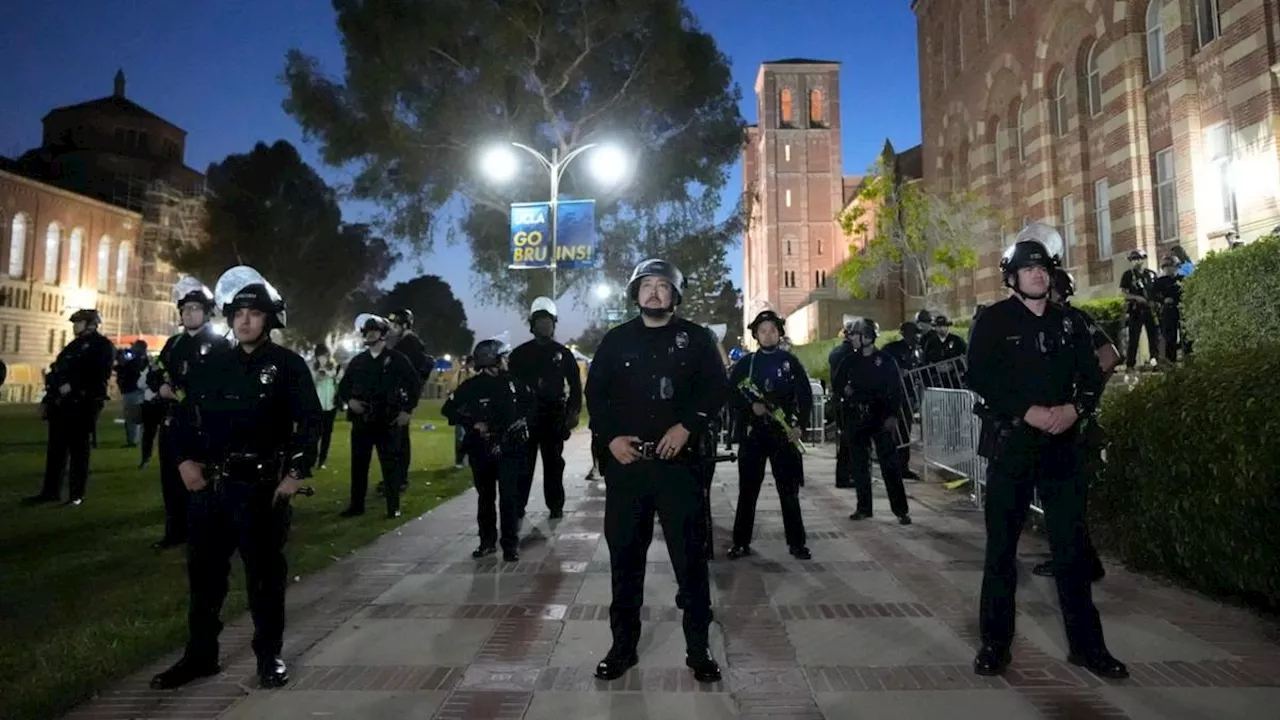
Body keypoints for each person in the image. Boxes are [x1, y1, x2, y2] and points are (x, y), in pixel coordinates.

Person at [966, 230, 1127, 680]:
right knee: (1001, 550)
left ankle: (1088, 648)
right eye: (1028, 268)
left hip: (1063, 446)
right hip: (1014, 445)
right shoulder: (995, 320)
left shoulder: (1070, 322)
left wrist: (1074, 409)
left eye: (1043, 268)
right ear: (1013, 277)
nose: (1037, 274)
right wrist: (1028, 411)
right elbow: (978, 376)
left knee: (1071, 549)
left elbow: (1093, 375)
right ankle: (995, 645)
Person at [151, 266, 320, 690]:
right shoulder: (212, 366)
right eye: (238, 312)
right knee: (204, 579)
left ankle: (268, 657)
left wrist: (295, 474)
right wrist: (185, 462)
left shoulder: (287, 366)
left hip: (261, 489)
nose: (244, 320)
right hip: (210, 489)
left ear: (269, 319)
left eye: (254, 312)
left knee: (264, 579)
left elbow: (310, 423)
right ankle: (199, 656)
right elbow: (185, 420)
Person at [585, 258, 726, 684]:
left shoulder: (696, 339)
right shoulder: (616, 340)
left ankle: (698, 648)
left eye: (662, 286)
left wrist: (688, 426)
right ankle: (622, 646)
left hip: (678, 468)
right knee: (625, 561)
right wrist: (610, 438)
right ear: (635, 293)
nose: (653, 292)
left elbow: (716, 388)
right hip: (628, 469)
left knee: (690, 560)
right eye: (646, 285)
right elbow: (597, 396)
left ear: (675, 294)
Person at [1029, 264, 1115, 583]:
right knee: (1064, 497)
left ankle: (1076, 562)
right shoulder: (1056, 323)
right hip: (1062, 420)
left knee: (1065, 496)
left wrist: (1082, 400)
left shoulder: (1072, 321)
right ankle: (1081, 560)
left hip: (1072, 424)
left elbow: (1109, 357)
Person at [148, 276, 229, 548]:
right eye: (185, 309)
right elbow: (156, 371)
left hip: (200, 422)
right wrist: (161, 386)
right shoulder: (173, 344)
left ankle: (202, 534)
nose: (190, 313)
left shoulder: (218, 345)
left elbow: (216, 383)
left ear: (206, 313)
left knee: (199, 481)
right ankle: (174, 532)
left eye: (195, 308)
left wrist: (183, 390)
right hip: (172, 420)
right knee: (170, 480)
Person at [727, 310, 813, 560]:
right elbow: (731, 395)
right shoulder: (746, 363)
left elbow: (805, 396)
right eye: (763, 331)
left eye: (772, 330)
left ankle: (797, 543)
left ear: (779, 333)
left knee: (789, 492)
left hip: (783, 435)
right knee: (748, 491)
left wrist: (801, 426)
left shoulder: (790, 362)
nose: (768, 335)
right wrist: (749, 408)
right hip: (754, 435)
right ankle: (740, 542)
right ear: (756, 335)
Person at [443, 336, 532, 561]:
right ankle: (487, 542)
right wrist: (473, 422)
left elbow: (531, 405)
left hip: (509, 448)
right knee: (485, 497)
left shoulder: (513, 383)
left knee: (509, 498)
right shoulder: (472, 386)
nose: (506, 361)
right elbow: (449, 409)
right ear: (491, 360)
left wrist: (522, 422)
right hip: (481, 448)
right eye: (503, 357)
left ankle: (510, 545)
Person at [25, 308, 115, 506]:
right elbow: (57, 371)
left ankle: (76, 493)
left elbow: (99, 375)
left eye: (79, 322)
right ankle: (50, 491)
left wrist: (74, 386)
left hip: (84, 404)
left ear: (91, 324)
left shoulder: (102, 346)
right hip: (62, 404)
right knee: (56, 449)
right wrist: (48, 399)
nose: (75, 326)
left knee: (78, 450)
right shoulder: (73, 346)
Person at [337, 314, 420, 519]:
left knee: (390, 466)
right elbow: (343, 387)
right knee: (358, 466)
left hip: (387, 421)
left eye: (373, 331)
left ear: (383, 334)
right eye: (366, 331)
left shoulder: (397, 360)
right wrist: (351, 402)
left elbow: (413, 385)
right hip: (362, 422)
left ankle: (393, 507)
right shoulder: (358, 361)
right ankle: (356, 506)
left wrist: (407, 410)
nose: (368, 334)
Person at [832, 317, 911, 525]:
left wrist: (893, 415)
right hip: (857, 418)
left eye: (856, 335)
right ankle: (864, 507)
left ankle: (901, 510)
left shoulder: (885, 360)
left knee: (889, 465)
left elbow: (895, 389)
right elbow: (837, 382)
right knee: (860, 466)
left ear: (867, 337)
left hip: (880, 417)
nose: (852, 339)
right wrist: (845, 393)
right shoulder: (849, 360)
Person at [509, 297, 582, 520]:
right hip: (526, 416)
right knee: (523, 465)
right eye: (540, 322)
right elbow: (508, 387)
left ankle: (556, 505)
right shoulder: (519, 355)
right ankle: (517, 506)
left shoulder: (563, 354)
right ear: (532, 325)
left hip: (554, 416)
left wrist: (573, 413)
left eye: (549, 322)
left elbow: (576, 386)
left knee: (554, 464)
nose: (545, 326)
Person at [385, 308, 435, 489]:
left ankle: (399, 479)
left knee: (399, 440)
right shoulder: (408, 343)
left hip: (402, 398)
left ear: (403, 325)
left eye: (394, 324)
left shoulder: (409, 344)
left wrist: (408, 405)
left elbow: (411, 376)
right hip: (401, 397)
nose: (391, 328)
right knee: (396, 439)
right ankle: (395, 478)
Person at [881, 323, 924, 480]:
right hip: (894, 396)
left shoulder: (917, 351)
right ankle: (891, 465)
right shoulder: (892, 349)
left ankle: (902, 466)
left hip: (908, 396)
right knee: (893, 432)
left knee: (904, 433)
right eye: (914, 334)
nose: (917, 337)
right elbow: (883, 366)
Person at [1119, 249, 1159, 369]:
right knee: (1133, 338)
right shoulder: (1128, 275)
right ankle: (1130, 364)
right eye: (1134, 259)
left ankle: (1155, 362)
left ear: (1143, 259)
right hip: (1135, 309)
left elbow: (1156, 291)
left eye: (1139, 258)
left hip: (1150, 309)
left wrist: (1155, 302)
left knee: (1154, 337)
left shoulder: (1151, 274)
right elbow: (1123, 293)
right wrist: (1136, 298)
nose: (1137, 261)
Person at [311, 344, 341, 469]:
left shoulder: (335, 367)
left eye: (324, 356)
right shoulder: (313, 367)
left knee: (327, 434)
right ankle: (312, 458)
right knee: (315, 433)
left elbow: (339, 378)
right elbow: (311, 381)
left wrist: (328, 374)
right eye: (319, 356)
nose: (322, 359)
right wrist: (318, 376)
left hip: (330, 404)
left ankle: (322, 460)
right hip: (317, 404)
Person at [116, 340, 149, 447]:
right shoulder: (143, 357)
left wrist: (120, 365)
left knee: (132, 415)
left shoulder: (136, 357)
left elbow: (127, 369)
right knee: (137, 415)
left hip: (132, 389)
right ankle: (136, 439)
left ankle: (133, 441)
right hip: (138, 389)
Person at [1151, 256, 1184, 363]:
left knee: (1186, 336)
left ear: (1177, 267)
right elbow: (1153, 295)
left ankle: (1188, 358)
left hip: (1182, 309)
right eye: (1165, 266)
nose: (1168, 269)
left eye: (1170, 266)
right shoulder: (1160, 281)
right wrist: (1163, 300)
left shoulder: (1182, 279)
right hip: (1168, 310)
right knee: (1170, 337)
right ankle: (1171, 361)